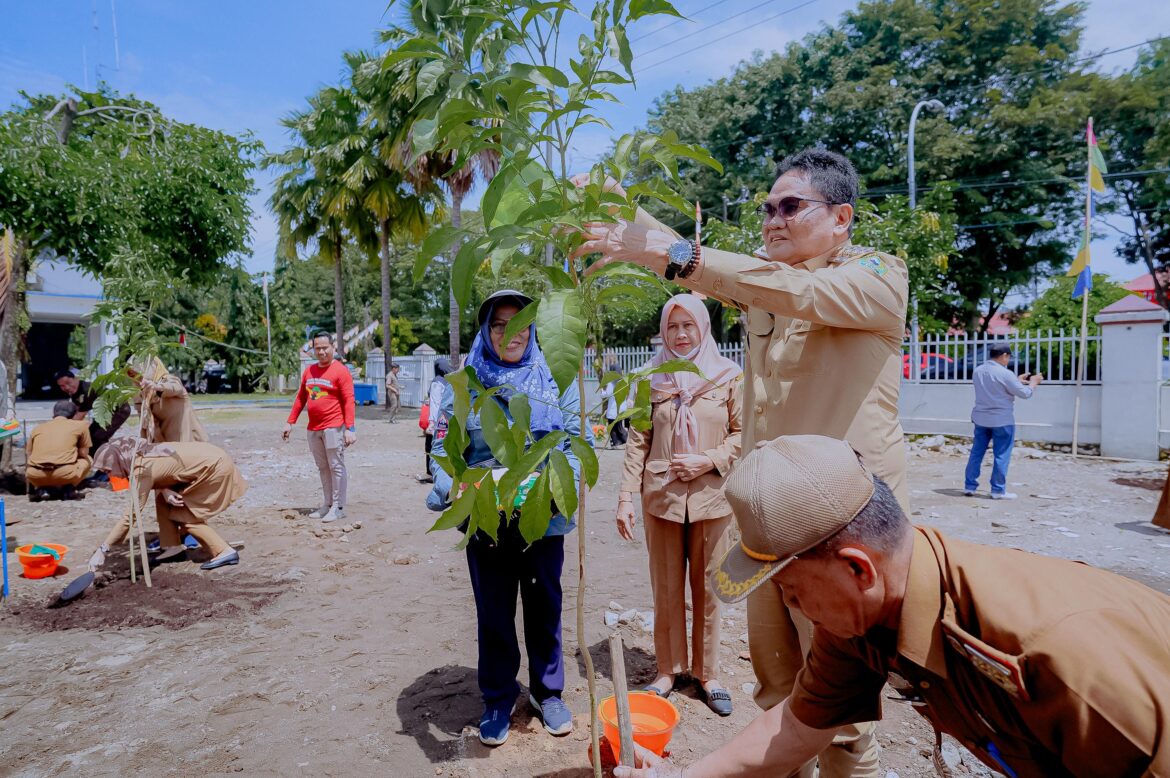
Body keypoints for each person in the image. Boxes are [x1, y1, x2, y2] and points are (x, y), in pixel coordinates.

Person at [575, 148, 908, 776]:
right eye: (767, 208)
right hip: (768, 530)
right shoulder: (767, 283)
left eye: (790, 207)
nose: (772, 220)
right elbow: (707, 265)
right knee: (777, 692)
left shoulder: (877, 276)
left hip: (843, 536)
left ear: (842, 217)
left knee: (841, 719)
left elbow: (785, 287)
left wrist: (678, 257)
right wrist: (620, 206)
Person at [615, 434, 1170, 778]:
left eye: (791, 589)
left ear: (857, 568)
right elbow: (799, 727)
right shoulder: (864, 611)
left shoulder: (1061, 656)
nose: (792, 606)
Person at [426, 289, 590, 748]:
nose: (509, 333)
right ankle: (498, 697)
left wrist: (556, 490)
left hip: (545, 517)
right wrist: (456, 487)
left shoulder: (558, 379)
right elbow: (442, 451)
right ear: (485, 329)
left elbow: (578, 444)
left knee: (545, 608)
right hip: (486, 520)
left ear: (534, 327)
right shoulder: (464, 384)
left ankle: (547, 692)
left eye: (519, 323)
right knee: (494, 611)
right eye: (499, 324)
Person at [617, 294, 743, 715]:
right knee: (666, 587)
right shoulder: (650, 379)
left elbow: (745, 435)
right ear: (664, 333)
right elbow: (638, 441)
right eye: (673, 326)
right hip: (661, 498)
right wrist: (624, 498)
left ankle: (708, 674)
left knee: (709, 588)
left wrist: (709, 459)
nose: (681, 334)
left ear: (703, 328)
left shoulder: (728, 376)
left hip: (713, 499)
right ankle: (668, 671)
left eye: (689, 325)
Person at [87, 438, 247, 571]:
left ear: (117, 460)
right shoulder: (142, 452)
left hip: (214, 468)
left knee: (186, 517)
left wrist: (104, 549)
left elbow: (131, 515)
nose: (109, 475)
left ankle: (224, 551)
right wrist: (165, 489)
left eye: (108, 469)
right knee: (163, 500)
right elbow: (163, 469)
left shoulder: (140, 469)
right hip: (210, 457)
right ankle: (173, 546)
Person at [282, 333, 356, 523]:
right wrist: (290, 422)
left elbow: (349, 401)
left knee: (336, 466)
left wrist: (350, 428)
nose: (321, 351)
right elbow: (301, 398)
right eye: (318, 348)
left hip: (334, 427)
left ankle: (338, 507)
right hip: (313, 428)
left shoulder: (341, 371)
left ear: (333, 347)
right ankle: (328, 504)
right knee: (323, 467)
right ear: (313, 349)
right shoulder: (309, 371)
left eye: (325, 347)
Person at [963, 344, 1042, 500]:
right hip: (1001, 419)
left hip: (981, 418)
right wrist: (1034, 382)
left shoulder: (978, 371)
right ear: (1004, 355)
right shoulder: (1005, 373)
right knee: (1001, 455)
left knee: (976, 453)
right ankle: (997, 490)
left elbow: (995, 387)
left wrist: (1016, 380)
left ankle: (969, 486)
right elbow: (1025, 394)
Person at [127, 356, 208, 444]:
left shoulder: (169, 380)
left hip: (188, 441)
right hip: (163, 446)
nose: (137, 378)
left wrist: (157, 387)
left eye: (138, 373)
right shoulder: (139, 394)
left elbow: (175, 388)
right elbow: (145, 426)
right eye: (132, 375)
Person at [26, 399, 91, 501]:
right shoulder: (81, 426)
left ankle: (42, 489)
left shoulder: (37, 428)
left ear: (54, 414)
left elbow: (29, 454)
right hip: (65, 474)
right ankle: (69, 488)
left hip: (35, 475)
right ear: (74, 415)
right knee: (87, 460)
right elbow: (84, 453)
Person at [54, 368, 131, 450]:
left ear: (76, 378)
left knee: (98, 436)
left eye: (68, 383)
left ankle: (102, 457)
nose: (66, 387)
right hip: (103, 412)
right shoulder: (74, 393)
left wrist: (63, 430)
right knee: (91, 434)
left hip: (119, 409)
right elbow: (75, 412)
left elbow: (79, 416)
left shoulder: (87, 390)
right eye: (62, 386)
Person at [417, 357, 454, 483]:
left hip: (440, 421)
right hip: (451, 419)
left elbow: (435, 403)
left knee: (431, 446)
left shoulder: (437, 382)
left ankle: (433, 472)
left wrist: (432, 423)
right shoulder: (450, 381)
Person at [598, 366, 627, 449]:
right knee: (619, 427)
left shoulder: (611, 383)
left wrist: (602, 391)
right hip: (621, 409)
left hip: (613, 411)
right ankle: (618, 442)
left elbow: (607, 394)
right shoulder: (623, 381)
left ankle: (620, 441)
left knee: (613, 428)